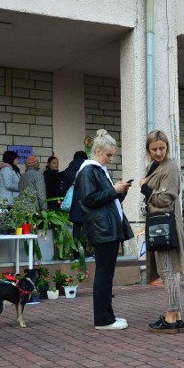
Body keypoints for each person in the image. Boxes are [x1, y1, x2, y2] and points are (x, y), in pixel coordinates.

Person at [77, 129, 133, 330]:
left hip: (108, 228)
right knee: (103, 274)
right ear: (98, 151)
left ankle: (107, 316)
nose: (110, 159)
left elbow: (105, 199)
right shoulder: (88, 170)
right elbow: (89, 199)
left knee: (106, 274)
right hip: (103, 230)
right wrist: (114, 190)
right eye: (108, 155)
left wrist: (120, 192)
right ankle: (103, 319)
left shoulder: (98, 170)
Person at [141, 130, 184, 334]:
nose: (158, 152)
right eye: (154, 149)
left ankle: (171, 317)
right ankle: (176, 317)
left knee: (168, 272)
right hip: (160, 225)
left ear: (167, 147)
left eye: (161, 148)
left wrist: (146, 190)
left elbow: (166, 198)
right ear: (148, 150)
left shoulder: (169, 167)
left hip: (165, 226)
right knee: (168, 272)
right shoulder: (155, 166)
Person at [63, 151, 89, 245]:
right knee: (86, 226)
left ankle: (76, 251)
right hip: (86, 201)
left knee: (76, 226)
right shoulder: (87, 169)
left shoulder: (67, 171)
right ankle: (85, 250)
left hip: (73, 202)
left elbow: (65, 189)